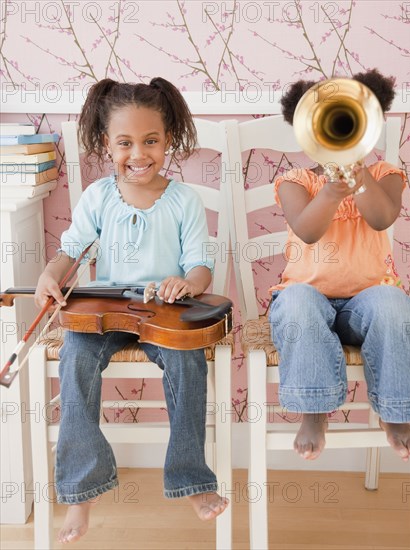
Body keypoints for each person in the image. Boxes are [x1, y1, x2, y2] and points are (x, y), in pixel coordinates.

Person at [34, 77, 228, 544]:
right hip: (108, 311)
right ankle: (82, 492)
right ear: (107, 144)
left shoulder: (184, 200)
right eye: (125, 143)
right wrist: (50, 273)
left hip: (165, 313)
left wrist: (188, 283)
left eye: (151, 141)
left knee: (186, 360)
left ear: (168, 142)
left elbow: (200, 266)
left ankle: (190, 479)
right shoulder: (99, 196)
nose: (138, 154)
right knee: (77, 356)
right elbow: (71, 252)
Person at [270, 69, 410, 461]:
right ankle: (314, 410)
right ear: (308, 132)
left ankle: (395, 410)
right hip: (307, 300)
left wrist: (359, 175)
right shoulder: (296, 180)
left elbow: (382, 218)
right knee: (299, 301)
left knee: (393, 302)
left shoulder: (385, 174)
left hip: (365, 305)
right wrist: (333, 189)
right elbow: (307, 230)